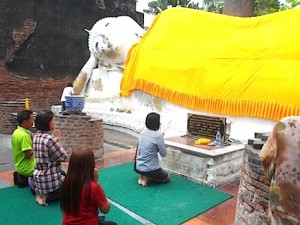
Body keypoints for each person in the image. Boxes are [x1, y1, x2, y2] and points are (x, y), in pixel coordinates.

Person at [61, 147, 117, 225]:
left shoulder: (66, 183)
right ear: (90, 165)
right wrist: (96, 181)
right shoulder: (93, 187)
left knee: (99, 218)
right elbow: (106, 209)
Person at [32, 110, 67, 206]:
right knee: (74, 188)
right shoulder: (51, 139)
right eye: (53, 120)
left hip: (40, 178)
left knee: (63, 174)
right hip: (51, 182)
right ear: (47, 123)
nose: (55, 122)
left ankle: (40, 192)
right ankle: (47, 197)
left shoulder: (36, 136)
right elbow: (63, 157)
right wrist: (58, 140)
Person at [134, 112, 170, 187]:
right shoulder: (158, 136)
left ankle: (142, 177)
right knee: (167, 177)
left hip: (137, 166)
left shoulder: (142, 133)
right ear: (157, 123)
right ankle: (147, 178)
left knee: (145, 164)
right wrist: (161, 139)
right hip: (150, 169)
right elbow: (163, 154)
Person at [11, 110, 36, 188]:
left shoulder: (17, 132)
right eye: (31, 120)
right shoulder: (23, 136)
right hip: (28, 168)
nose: (33, 122)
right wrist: (36, 143)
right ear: (25, 122)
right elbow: (28, 155)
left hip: (19, 166)